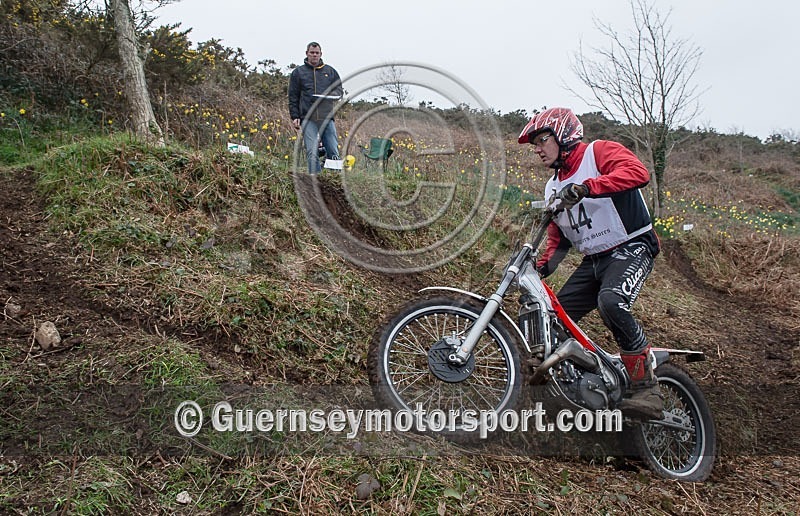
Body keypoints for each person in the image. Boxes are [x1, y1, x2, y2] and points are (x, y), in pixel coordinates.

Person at [518, 107, 663, 419]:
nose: (538, 149)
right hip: (594, 260)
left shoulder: (598, 153)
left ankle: (646, 386)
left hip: (632, 246)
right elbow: (559, 239)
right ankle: (581, 386)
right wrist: (540, 268)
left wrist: (588, 187)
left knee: (611, 302)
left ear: (564, 136)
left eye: (543, 140)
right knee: (555, 320)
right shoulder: (552, 187)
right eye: (536, 145)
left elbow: (638, 173)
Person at [288, 41, 343, 174]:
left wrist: (329, 95)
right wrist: (295, 116)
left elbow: (339, 91)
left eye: (316, 53)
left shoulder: (330, 71)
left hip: (327, 117)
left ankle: (335, 177)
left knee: (333, 149)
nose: (314, 55)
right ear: (307, 54)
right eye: (312, 53)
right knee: (312, 151)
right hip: (308, 117)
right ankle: (315, 179)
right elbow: (293, 96)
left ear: (321, 54)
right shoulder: (298, 73)